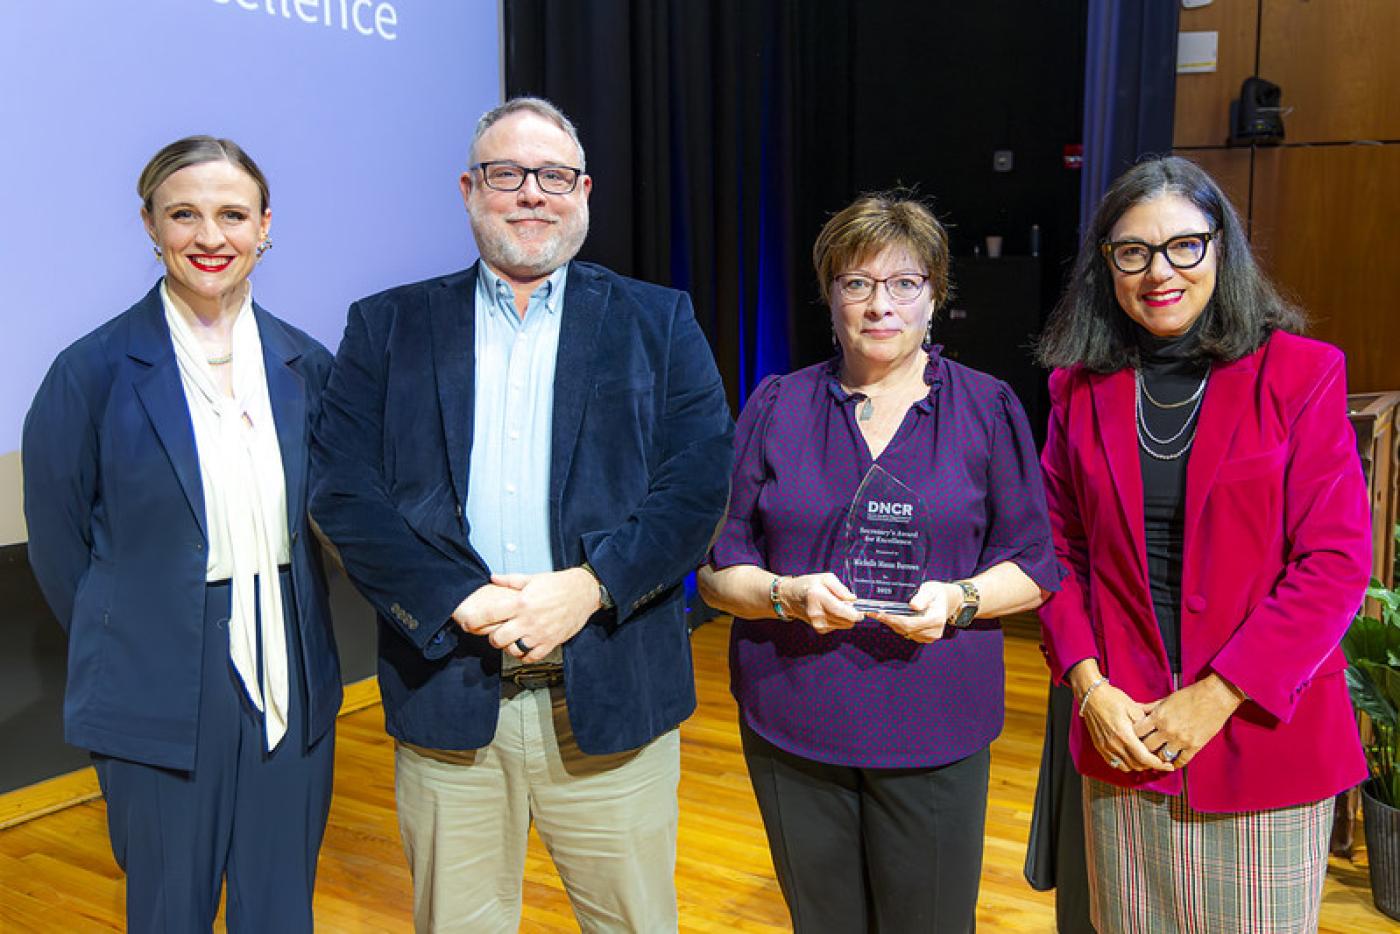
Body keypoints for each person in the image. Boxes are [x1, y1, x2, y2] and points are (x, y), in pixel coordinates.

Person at [309, 97, 733, 933]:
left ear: (584, 191)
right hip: (451, 699)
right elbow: (343, 492)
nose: (532, 193)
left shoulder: (658, 319)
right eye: (508, 174)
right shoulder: (387, 326)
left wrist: (591, 586)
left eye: (554, 176)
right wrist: (454, 598)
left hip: (610, 699)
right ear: (471, 190)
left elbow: (696, 486)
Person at [697, 192, 1062, 933]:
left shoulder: (987, 409)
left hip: (934, 723)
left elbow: (1034, 564)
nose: (879, 305)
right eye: (856, 284)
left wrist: (957, 600)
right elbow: (717, 568)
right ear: (831, 297)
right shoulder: (777, 405)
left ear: (936, 296)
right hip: (793, 718)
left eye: (904, 284)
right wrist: (784, 593)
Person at [1035, 155, 1370, 932]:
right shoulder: (1077, 389)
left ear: (1221, 247)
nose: (1161, 272)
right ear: (1107, 266)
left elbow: (1334, 562)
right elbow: (1057, 553)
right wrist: (1090, 689)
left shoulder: (1301, 374)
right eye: (1133, 252)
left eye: (1184, 245)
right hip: (1129, 732)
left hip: (1262, 732)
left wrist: (1216, 696)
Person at [22, 136, 340, 933]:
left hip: (291, 669)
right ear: (150, 227)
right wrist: (134, 627)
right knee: (169, 911)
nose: (210, 237)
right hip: (155, 673)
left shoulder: (308, 363)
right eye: (184, 215)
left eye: (232, 215)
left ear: (266, 226)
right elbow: (60, 544)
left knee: (280, 911)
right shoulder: (89, 370)